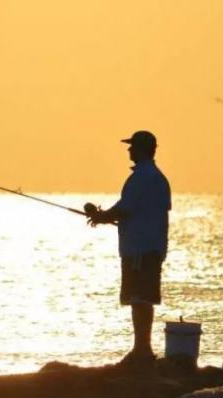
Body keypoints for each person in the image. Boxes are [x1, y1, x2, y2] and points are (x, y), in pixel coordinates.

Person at [85, 130, 171, 366]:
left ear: (143, 149)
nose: (129, 150)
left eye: (132, 146)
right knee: (143, 298)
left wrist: (102, 217)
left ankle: (142, 351)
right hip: (150, 246)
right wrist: (105, 216)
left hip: (140, 248)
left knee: (139, 298)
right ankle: (143, 348)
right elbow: (141, 211)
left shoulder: (143, 177)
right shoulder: (157, 178)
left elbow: (126, 208)